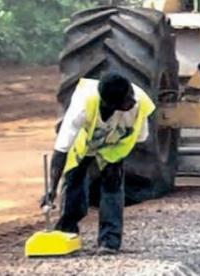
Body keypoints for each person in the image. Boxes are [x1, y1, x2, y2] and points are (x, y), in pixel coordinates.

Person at [42, 72, 155, 254]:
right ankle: (67, 233)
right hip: (84, 140)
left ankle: (109, 241)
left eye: (131, 95)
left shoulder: (138, 103)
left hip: (114, 143)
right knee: (74, 182)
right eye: (127, 100)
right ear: (109, 104)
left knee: (113, 186)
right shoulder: (83, 106)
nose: (133, 101)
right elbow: (61, 150)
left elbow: (139, 137)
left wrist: (113, 159)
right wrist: (51, 189)